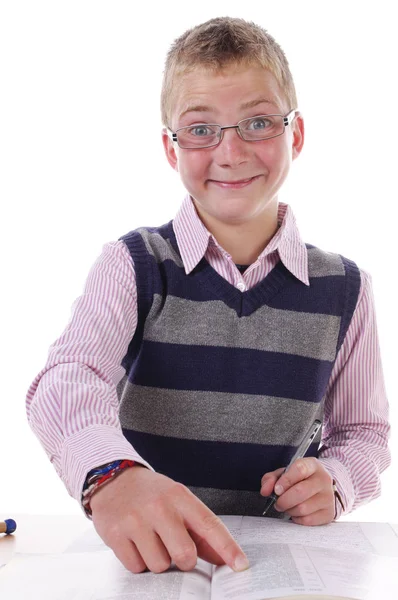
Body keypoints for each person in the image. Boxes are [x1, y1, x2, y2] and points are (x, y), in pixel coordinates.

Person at [25, 17, 391, 576]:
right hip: (152, 566)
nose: (231, 151)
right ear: (172, 149)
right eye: (201, 129)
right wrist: (110, 475)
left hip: (279, 568)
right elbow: (68, 376)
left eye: (258, 123)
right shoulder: (134, 263)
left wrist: (336, 482)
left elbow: (363, 434)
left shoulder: (346, 288)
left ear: (294, 134)